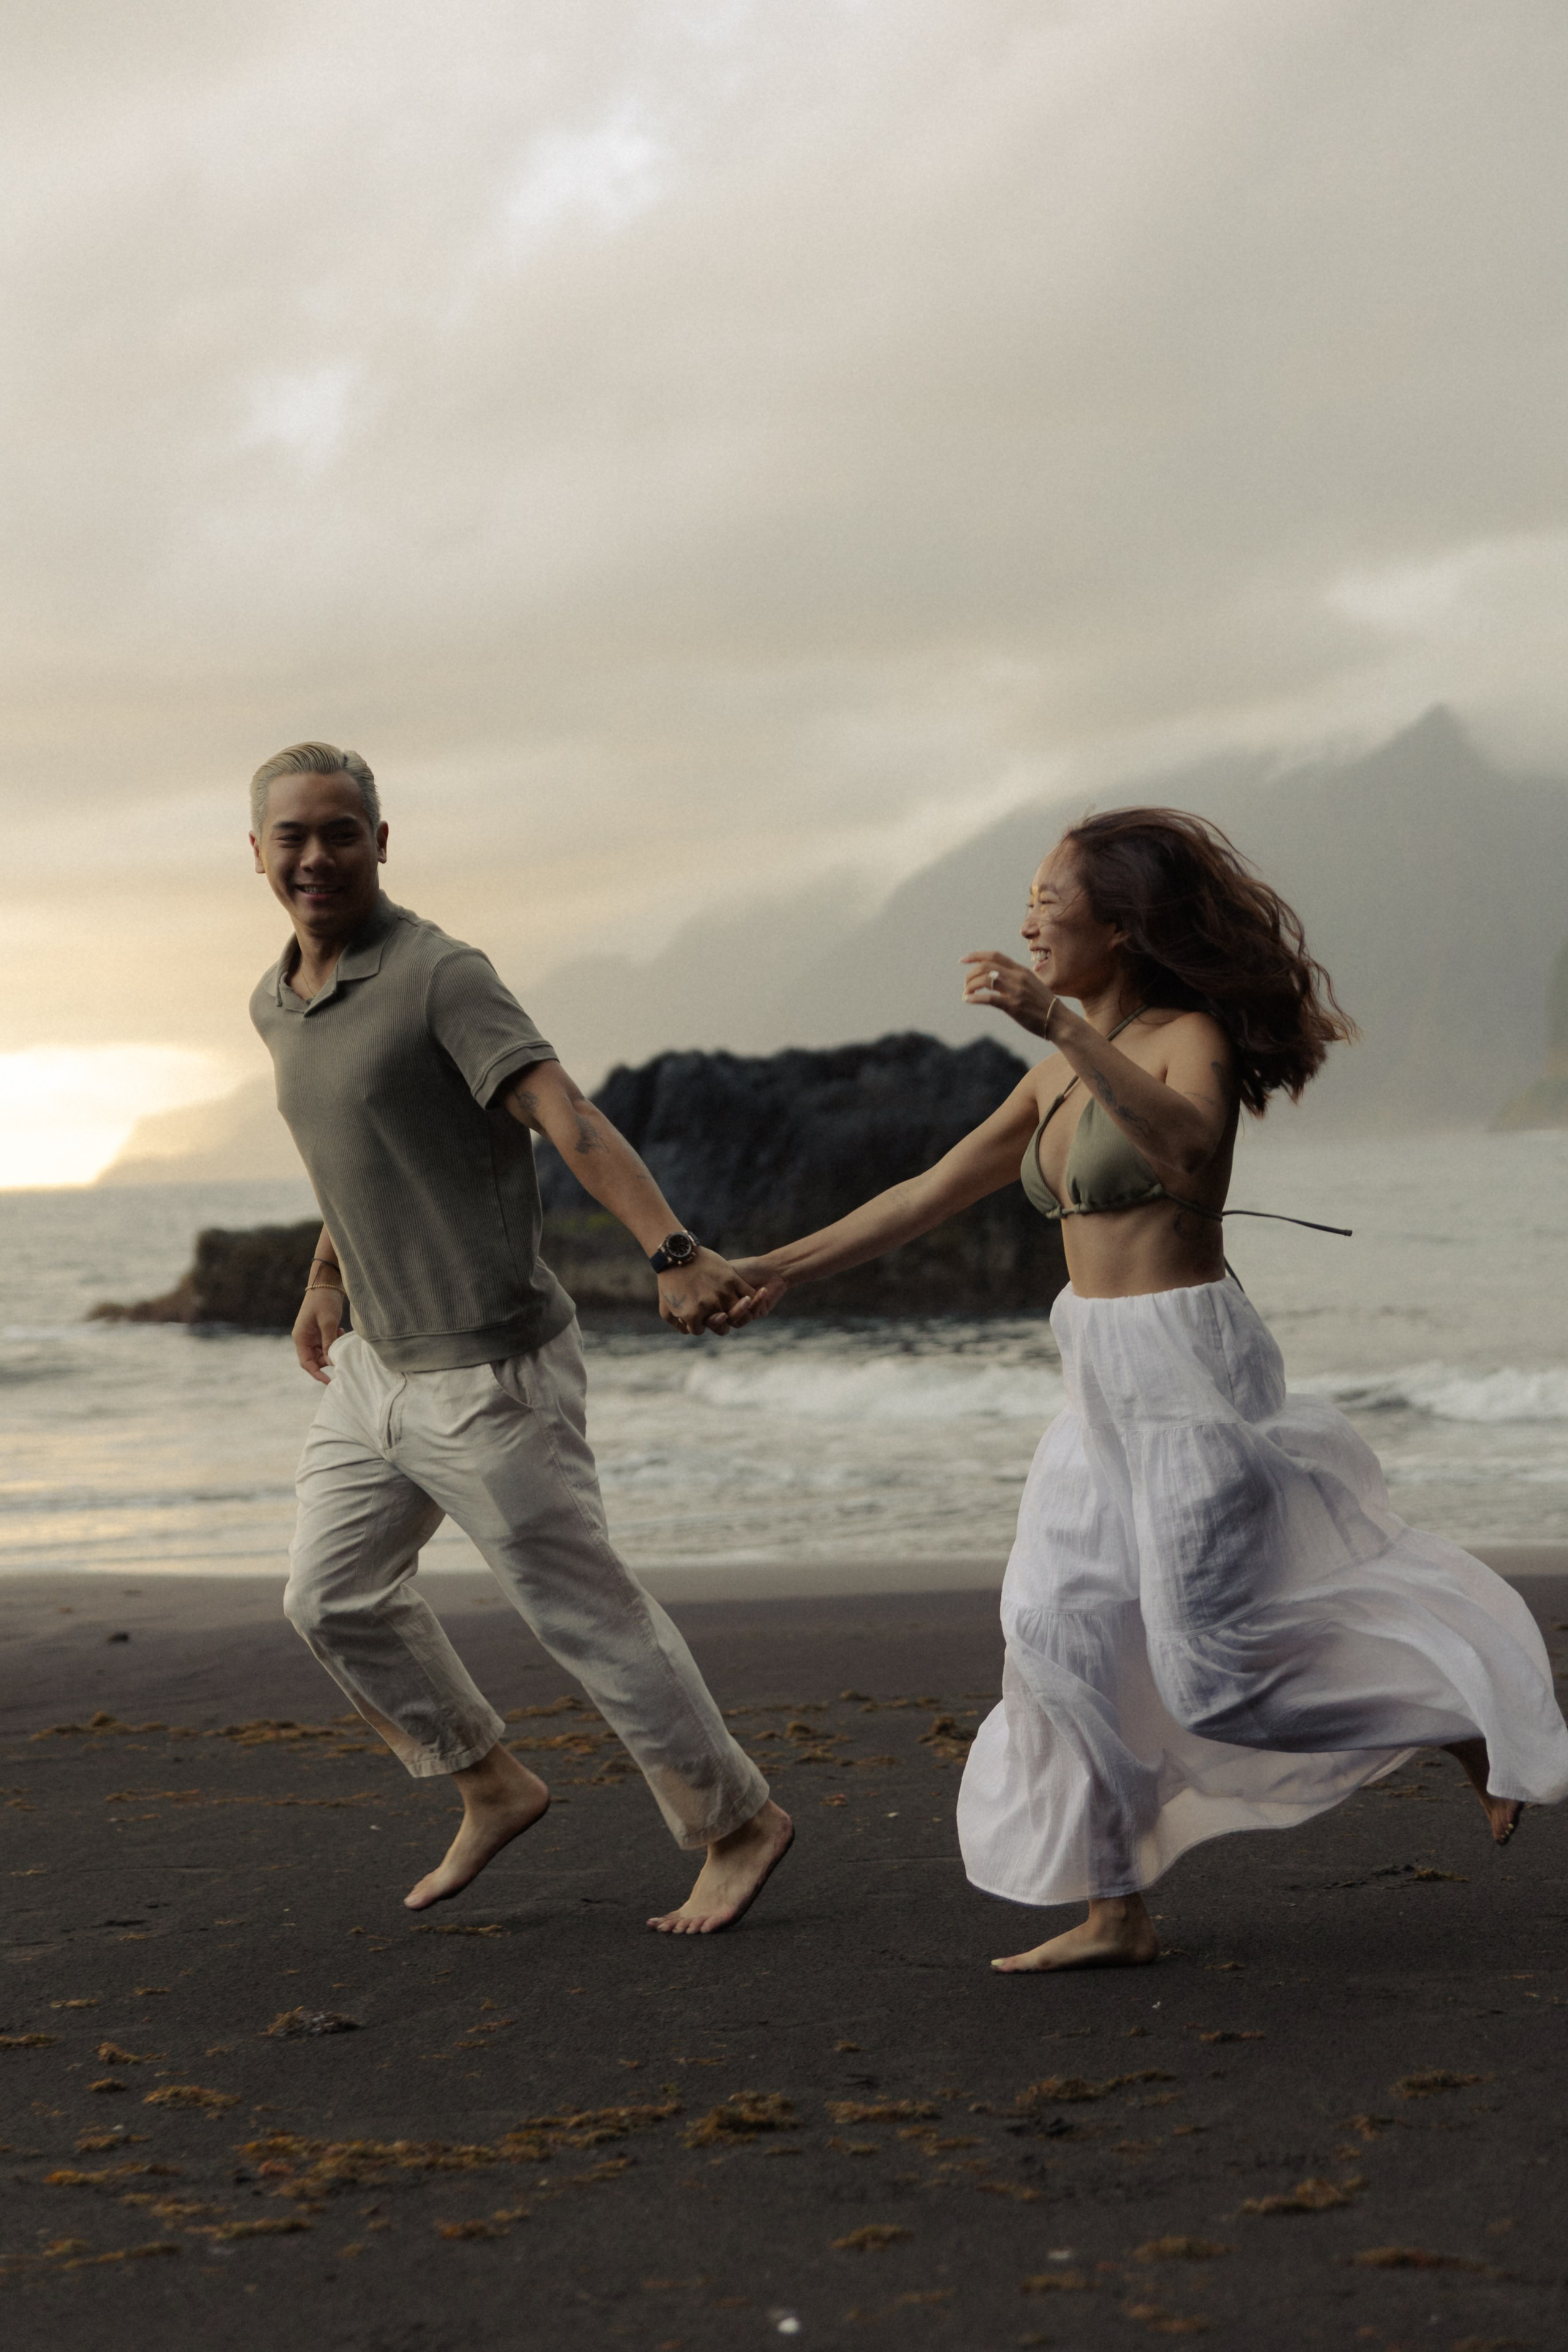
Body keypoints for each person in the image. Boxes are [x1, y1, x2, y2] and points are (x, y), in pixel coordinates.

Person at [731, 807, 1568, 1970]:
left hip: (1188, 1375)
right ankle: (1115, 1908)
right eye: (1028, 903)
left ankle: (1457, 1714)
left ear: (1121, 925)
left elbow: (1185, 1151)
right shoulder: (1050, 1081)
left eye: (1050, 901)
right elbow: (924, 1194)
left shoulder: (1186, 1040)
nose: (1029, 922)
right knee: (1054, 1630)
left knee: (1213, 1681)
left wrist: (1059, 1024)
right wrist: (767, 1269)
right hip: (1094, 1380)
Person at [247, 741, 792, 1933]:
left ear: (381, 843)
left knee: (585, 1615)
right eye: (293, 836)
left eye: (341, 831)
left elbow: (562, 1112)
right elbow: (354, 1155)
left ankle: (736, 1822)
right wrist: (325, 1277)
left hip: (493, 1374)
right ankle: (489, 1784)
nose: (317, 856)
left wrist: (670, 1251)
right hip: (374, 1369)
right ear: (256, 854)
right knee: (330, 1599)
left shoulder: (440, 975)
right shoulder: (274, 1001)